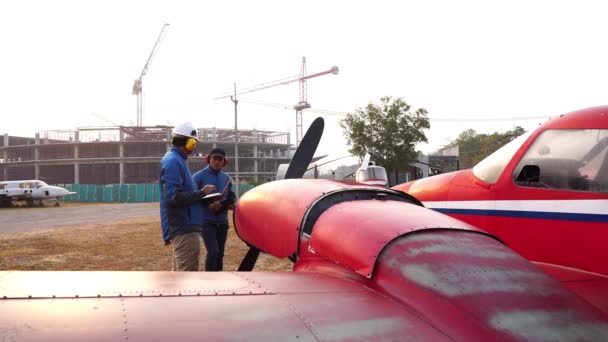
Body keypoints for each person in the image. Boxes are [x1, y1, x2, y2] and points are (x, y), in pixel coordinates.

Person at [159, 122, 215, 271]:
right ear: (188, 142)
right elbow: (173, 197)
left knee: (178, 280)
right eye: (193, 143)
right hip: (184, 227)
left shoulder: (177, 160)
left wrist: (202, 200)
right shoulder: (173, 161)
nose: (194, 147)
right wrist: (202, 192)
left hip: (186, 225)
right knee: (187, 279)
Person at [193, 147, 236, 272]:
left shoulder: (227, 178)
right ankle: (209, 282)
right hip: (206, 222)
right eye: (214, 158)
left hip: (223, 222)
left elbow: (231, 195)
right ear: (208, 160)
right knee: (213, 252)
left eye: (220, 159)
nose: (217, 161)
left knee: (220, 254)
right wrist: (208, 205)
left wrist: (233, 203)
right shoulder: (198, 177)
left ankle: (219, 280)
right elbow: (191, 198)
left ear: (224, 161)